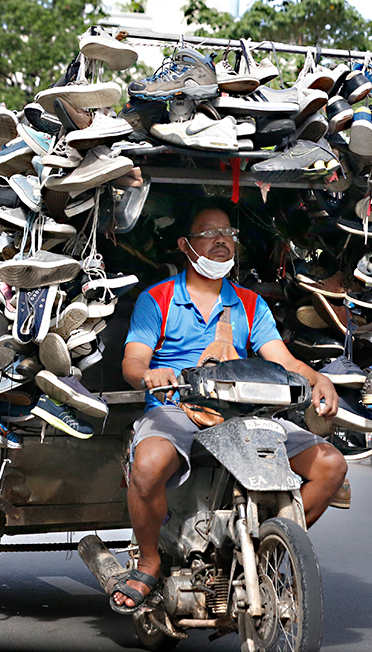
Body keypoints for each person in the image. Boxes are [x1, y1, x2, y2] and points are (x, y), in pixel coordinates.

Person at [113, 201, 346, 613]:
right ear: (186, 245)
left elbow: (283, 361)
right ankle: (149, 561)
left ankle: (268, 548)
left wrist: (318, 378)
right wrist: (149, 374)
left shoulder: (250, 304)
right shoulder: (158, 299)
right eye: (208, 233)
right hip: (177, 408)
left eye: (228, 234)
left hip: (242, 415)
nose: (222, 240)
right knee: (148, 464)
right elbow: (133, 361)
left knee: (331, 466)